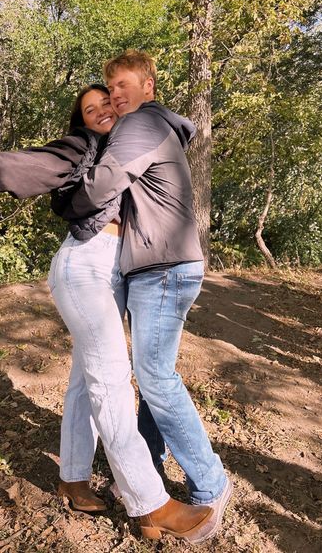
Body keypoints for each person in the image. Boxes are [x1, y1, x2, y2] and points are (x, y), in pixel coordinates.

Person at [0, 84, 213, 542]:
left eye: (106, 102)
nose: (101, 112)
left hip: (113, 270)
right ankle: (150, 504)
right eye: (90, 111)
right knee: (111, 380)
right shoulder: (83, 147)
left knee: (84, 379)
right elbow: (37, 164)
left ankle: (72, 478)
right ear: (84, 123)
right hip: (86, 263)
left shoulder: (135, 146)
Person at [68, 51, 233, 541]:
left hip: (162, 269)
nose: (115, 95)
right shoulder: (151, 125)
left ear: (148, 87)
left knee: (156, 378)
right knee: (152, 374)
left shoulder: (140, 122)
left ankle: (211, 482)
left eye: (123, 85)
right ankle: (150, 474)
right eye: (109, 88)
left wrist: (68, 203)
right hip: (157, 267)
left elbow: (101, 185)